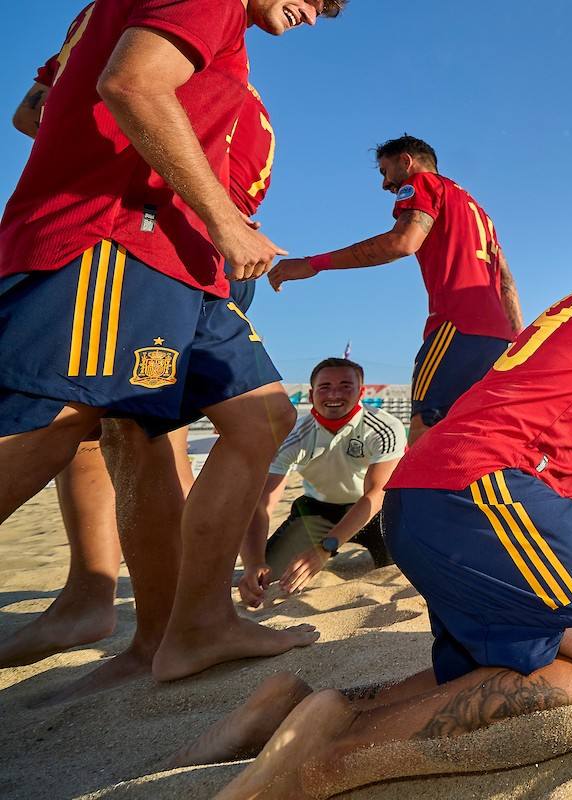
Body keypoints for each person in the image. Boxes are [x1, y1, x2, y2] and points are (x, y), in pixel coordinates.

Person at [171, 227, 572, 798]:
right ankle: (329, 754)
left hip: (434, 497)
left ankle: (300, 706)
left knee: (544, 679)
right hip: (486, 489)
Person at [0, 0, 347, 689]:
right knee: (64, 422)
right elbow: (130, 84)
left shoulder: (210, 35)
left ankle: (188, 628)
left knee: (259, 418)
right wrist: (223, 218)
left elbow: (37, 107)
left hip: (180, 257)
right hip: (120, 238)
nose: (315, 15)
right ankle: (114, 608)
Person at [268, 135, 523, 445]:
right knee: (477, 433)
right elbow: (506, 281)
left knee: (424, 429)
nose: (385, 185)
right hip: (495, 336)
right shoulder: (477, 210)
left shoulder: (425, 184)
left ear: (406, 161)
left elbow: (402, 242)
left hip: (456, 325)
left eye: (385, 171)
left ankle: (416, 495)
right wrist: (515, 339)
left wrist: (313, 263)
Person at [237, 358, 405, 608]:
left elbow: (375, 494)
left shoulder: (384, 427)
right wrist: (252, 562)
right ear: (311, 394)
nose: (334, 394)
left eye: (346, 386)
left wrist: (324, 549)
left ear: (361, 392)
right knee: (268, 575)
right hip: (318, 510)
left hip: (374, 512)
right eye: (324, 387)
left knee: (400, 566)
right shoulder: (292, 435)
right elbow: (261, 504)